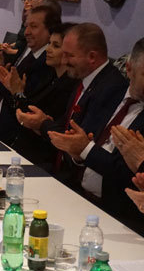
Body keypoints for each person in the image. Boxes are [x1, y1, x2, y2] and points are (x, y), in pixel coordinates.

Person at [47, 38, 144, 235]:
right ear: (129, 69)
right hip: (79, 196)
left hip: (120, 218)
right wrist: (77, 152)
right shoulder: (109, 93)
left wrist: (85, 149)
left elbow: (126, 172)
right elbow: (85, 139)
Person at [17, 23, 128, 185]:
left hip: (77, 180)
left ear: (92, 57)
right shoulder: (84, 78)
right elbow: (65, 125)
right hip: (60, 170)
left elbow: (78, 138)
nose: (64, 60)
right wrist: (44, 123)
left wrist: (43, 124)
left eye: (69, 56)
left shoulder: (110, 87)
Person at [0, 23, 79, 168]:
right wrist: (16, 92)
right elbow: (27, 111)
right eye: (49, 44)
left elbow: (34, 118)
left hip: (43, 158)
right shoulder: (50, 76)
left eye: (56, 46)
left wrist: (18, 93)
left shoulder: (71, 87)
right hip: (23, 146)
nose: (48, 49)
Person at [0, 5, 59, 144]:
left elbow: (22, 101)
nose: (26, 32)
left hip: (18, 139)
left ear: (50, 31)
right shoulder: (29, 52)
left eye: (33, 26)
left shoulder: (47, 63)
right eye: (26, 26)